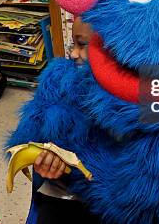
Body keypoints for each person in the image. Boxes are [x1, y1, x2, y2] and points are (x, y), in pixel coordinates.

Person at [32, 16, 98, 223]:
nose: (73, 53)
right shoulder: (57, 81)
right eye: (73, 44)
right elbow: (29, 138)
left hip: (116, 201)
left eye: (82, 44)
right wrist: (44, 159)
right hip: (64, 197)